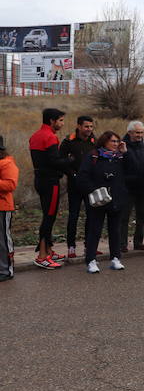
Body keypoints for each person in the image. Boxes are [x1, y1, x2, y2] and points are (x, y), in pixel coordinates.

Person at [78, 131, 127, 273]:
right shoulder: (94, 156)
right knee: (95, 230)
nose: (116, 144)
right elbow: (82, 177)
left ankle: (116, 258)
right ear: (104, 141)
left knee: (115, 230)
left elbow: (132, 170)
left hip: (116, 199)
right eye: (113, 141)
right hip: (98, 200)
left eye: (117, 142)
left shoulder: (120, 157)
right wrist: (94, 191)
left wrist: (125, 153)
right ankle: (91, 260)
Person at [29, 107, 72, 269]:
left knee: (48, 214)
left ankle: (49, 250)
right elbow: (55, 161)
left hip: (40, 179)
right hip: (50, 182)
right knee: (49, 216)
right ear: (52, 121)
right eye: (60, 120)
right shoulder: (50, 137)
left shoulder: (35, 136)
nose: (62, 123)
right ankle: (42, 256)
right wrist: (70, 160)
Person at [59, 115, 95, 258]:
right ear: (79, 126)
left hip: (90, 185)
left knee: (91, 215)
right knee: (73, 216)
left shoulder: (94, 141)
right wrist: (72, 175)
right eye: (86, 126)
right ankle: (71, 247)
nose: (89, 129)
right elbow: (61, 161)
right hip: (74, 185)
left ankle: (89, 245)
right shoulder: (69, 141)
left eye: (91, 127)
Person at [120, 120, 144, 252]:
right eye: (137, 133)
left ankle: (138, 242)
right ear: (129, 133)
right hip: (127, 189)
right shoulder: (122, 147)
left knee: (141, 217)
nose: (139, 135)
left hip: (142, 188)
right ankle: (122, 244)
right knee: (124, 217)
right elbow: (119, 168)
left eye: (141, 132)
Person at [0, 136, 19, 282]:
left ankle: (6, 270)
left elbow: (10, 185)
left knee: (3, 241)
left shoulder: (7, 163)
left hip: (3, 207)